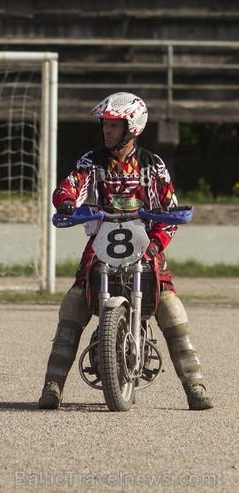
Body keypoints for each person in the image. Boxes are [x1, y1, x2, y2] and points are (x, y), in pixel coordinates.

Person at [38, 92, 214, 411]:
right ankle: (53, 385)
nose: (107, 131)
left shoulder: (153, 165)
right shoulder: (91, 161)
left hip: (146, 248)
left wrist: (157, 243)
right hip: (99, 249)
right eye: (105, 124)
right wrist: (65, 200)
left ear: (133, 126)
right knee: (72, 306)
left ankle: (195, 384)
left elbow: (169, 208)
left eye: (114, 125)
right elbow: (70, 184)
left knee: (171, 309)